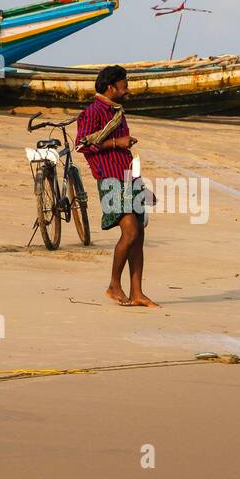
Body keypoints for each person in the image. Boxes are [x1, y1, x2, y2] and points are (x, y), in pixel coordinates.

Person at [75, 65, 157, 307]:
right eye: (124, 84)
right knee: (130, 231)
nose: (127, 89)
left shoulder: (117, 110)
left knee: (139, 233)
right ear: (111, 87)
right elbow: (81, 145)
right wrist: (116, 142)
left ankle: (137, 293)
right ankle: (113, 285)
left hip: (128, 176)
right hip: (110, 177)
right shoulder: (92, 111)